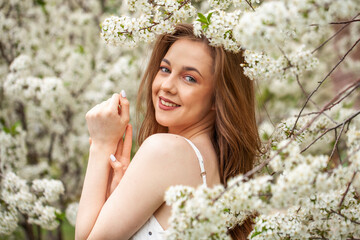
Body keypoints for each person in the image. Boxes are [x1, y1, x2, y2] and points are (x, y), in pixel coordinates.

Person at [75, 24, 260, 240]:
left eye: (189, 78)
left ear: (218, 98)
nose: (167, 85)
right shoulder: (215, 165)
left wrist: (102, 144)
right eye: (165, 69)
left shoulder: (166, 151)